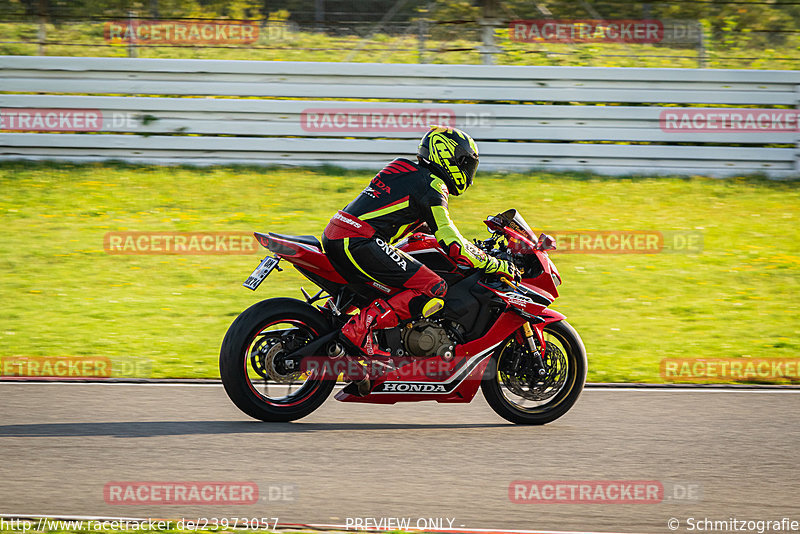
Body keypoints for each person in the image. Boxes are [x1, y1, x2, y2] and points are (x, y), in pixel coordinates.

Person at [321, 125, 519, 361]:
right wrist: (493, 263)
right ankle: (359, 332)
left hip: (337, 232)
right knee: (433, 286)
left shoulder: (403, 169)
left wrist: (467, 244)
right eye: (466, 165)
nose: (468, 174)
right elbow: (452, 242)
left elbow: (414, 222)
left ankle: (327, 324)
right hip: (358, 241)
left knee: (390, 280)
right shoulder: (434, 185)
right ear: (448, 157)